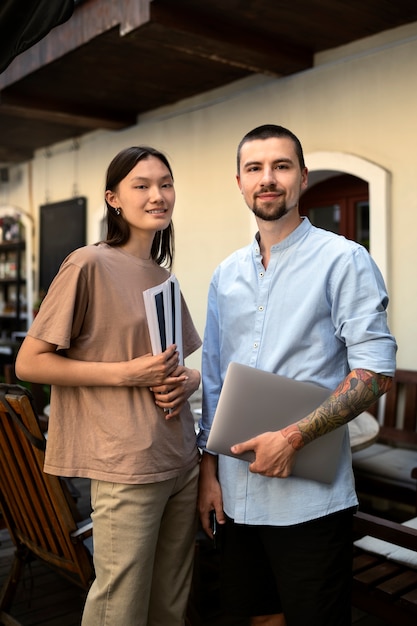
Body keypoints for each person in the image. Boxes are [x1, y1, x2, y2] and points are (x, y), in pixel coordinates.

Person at [197, 124, 397, 626]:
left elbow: (375, 373)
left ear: (303, 178)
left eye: (281, 166)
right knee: (255, 617)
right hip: (235, 494)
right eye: (255, 168)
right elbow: (215, 378)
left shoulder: (345, 260)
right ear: (239, 182)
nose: (268, 179)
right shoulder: (225, 275)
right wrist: (207, 472)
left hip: (310, 498)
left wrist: (292, 437)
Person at [16, 146, 202, 626]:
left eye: (165, 183)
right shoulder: (87, 265)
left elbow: (177, 367)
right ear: (113, 198)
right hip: (125, 463)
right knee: (118, 606)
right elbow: (29, 363)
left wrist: (188, 379)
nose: (157, 195)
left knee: (171, 603)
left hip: (181, 458)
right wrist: (125, 373)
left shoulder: (164, 278)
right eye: (141, 185)